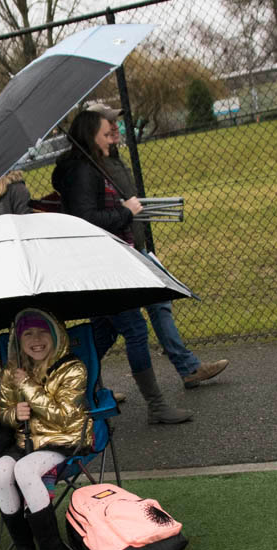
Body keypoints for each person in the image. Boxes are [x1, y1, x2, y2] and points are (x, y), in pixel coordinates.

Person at [52, 111, 192, 425]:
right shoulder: (82, 172)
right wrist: (125, 212)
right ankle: (156, 405)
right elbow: (85, 221)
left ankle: (67, 390)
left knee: (102, 334)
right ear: (90, 137)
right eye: (105, 133)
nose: (111, 136)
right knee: (135, 330)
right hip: (100, 266)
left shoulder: (91, 166)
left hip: (109, 260)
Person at [86, 101, 228, 390]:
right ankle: (87, 386)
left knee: (158, 304)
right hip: (113, 256)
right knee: (109, 330)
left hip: (135, 249)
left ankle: (187, 368)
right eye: (108, 123)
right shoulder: (90, 166)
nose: (115, 127)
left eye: (115, 122)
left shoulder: (113, 157)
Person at [0, 309, 88, 550]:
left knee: (24, 470)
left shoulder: (73, 368)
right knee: (1, 471)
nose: (36, 339)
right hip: (25, 442)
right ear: (18, 340)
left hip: (64, 440)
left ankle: (52, 549)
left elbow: (63, 415)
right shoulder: (12, 370)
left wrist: (28, 387)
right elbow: (3, 411)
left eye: (43, 331)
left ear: (57, 335)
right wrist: (14, 414)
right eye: (28, 333)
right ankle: (24, 547)